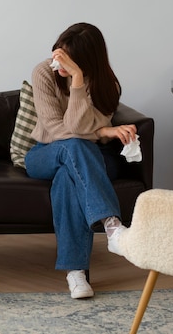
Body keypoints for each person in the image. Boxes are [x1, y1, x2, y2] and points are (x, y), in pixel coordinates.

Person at [24, 22, 136, 299]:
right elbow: (60, 130)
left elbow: (75, 129)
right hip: (44, 153)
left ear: (87, 62)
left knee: (67, 179)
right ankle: (112, 226)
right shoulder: (43, 73)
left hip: (88, 157)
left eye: (70, 61)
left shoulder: (106, 85)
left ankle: (76, 273)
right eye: (59, 55)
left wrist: (78, 81)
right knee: (72, 145)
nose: (59, 63)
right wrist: (102, 131)